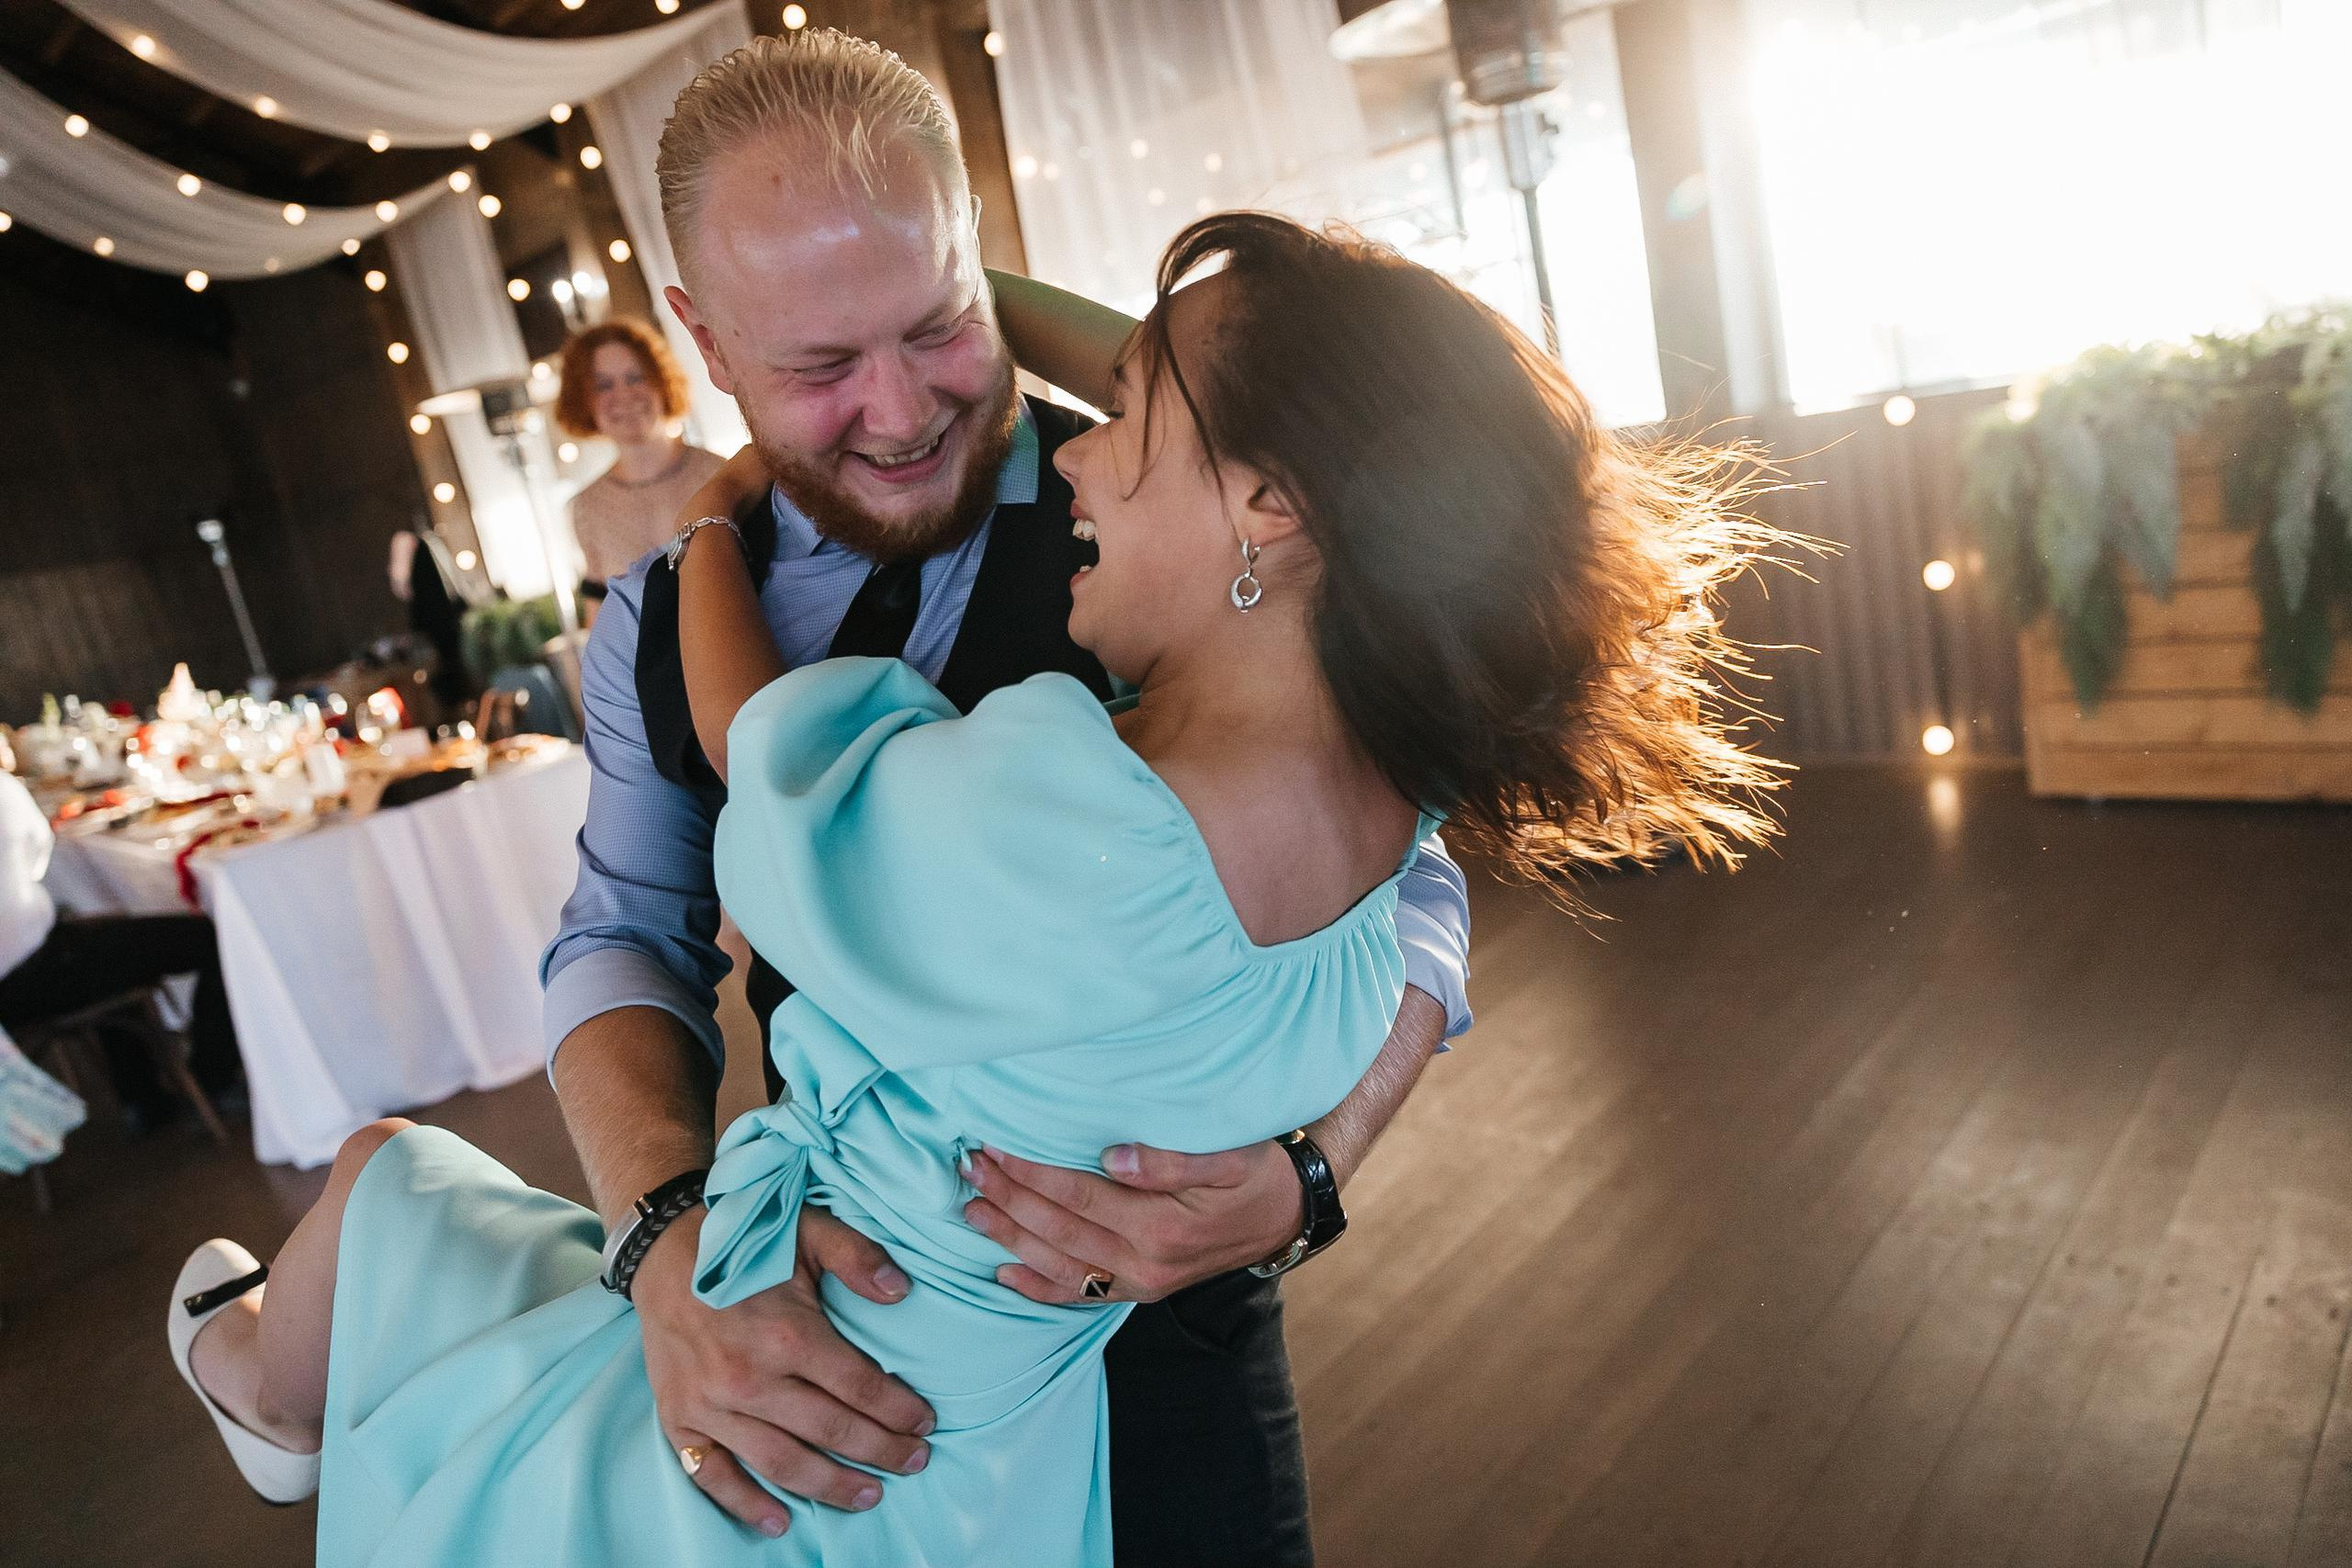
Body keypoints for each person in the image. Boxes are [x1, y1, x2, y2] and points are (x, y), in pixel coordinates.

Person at [557, 35, 1476, 1565]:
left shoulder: (1172, 508)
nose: (905, 410)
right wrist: (663, 1238)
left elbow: (1414, 872)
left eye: (939, 325)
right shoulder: (649, 625)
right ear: (703, 343)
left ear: (985, 259)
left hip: (1167, 1358)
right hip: (867, 1372)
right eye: (820, 367)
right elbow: (622, 937)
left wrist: (1314, 1169)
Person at [0, 738, 244, 1129]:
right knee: (213, 937)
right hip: (30, 974)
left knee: (100, 935)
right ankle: (212, 1078)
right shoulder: (4, 790)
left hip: (16, 989)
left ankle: (143, 1099)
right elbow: (39, 857)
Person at [554, 317, 729, 615]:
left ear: (662, 382)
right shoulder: (587, 508)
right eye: (603, 385)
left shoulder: (720, 475)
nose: (623, 394)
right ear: (584, 403)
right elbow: (601, 613)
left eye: (635, 377)